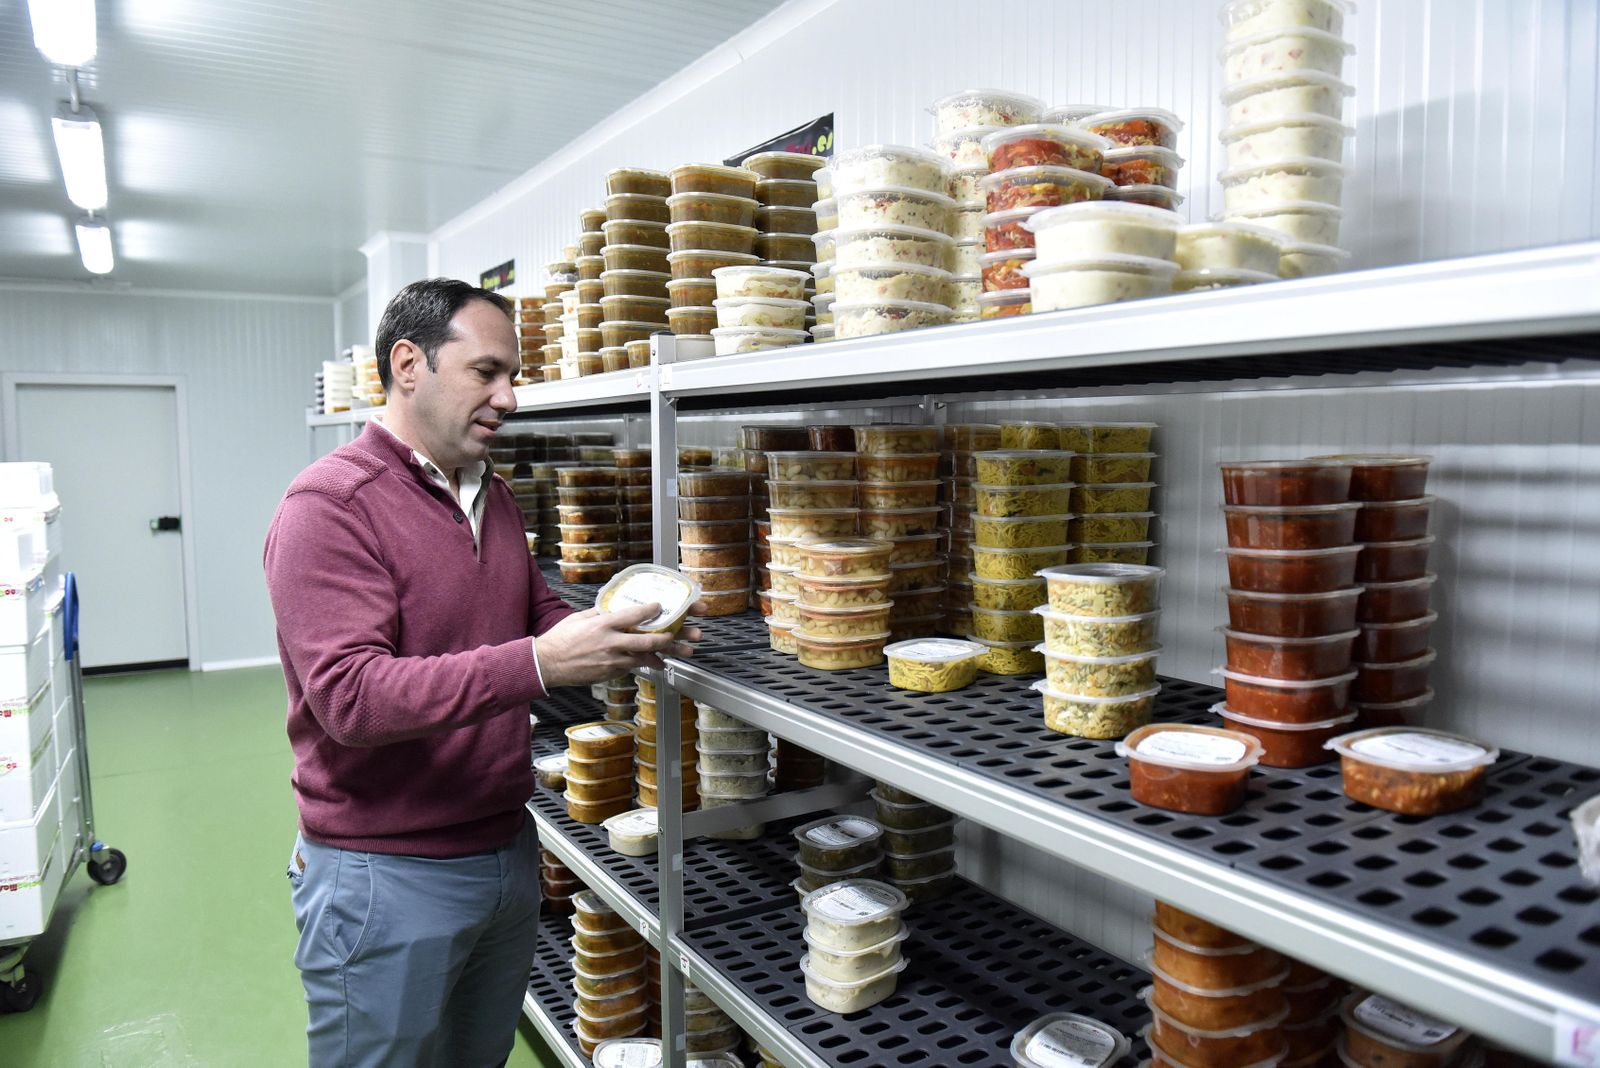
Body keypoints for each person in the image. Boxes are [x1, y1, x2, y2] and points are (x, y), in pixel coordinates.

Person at [264, 278, 700, 1067]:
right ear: (408, 364)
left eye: (515, 376)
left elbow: (529, 610)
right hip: (385, 872)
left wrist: (620, 629)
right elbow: (352, 700)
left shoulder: (490, 494)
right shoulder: (328, 508)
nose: (511, 396)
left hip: (503, 847)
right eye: (488, 372)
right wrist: (540, 663)